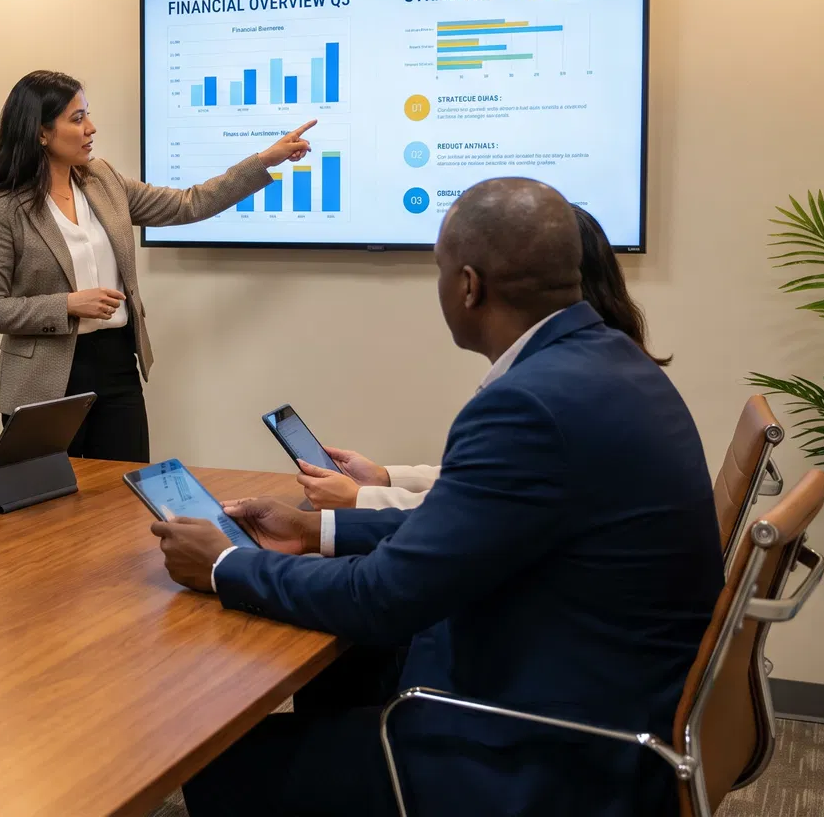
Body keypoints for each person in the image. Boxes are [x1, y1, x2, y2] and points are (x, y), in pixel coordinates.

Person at [152, 177, 721, 817]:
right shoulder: (610, 360)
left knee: (223, 761)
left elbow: (385, 598)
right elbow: (465, 528)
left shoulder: (528, 405)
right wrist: (315, 532)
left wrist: (226, 565)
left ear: (468, 285)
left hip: (553, 750)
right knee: (348, 671)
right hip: (606, 694)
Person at [0, 70, 315, 462]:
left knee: (122, 499)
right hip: (42, 381)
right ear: (41, 133)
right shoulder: (0, 208)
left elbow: (189, 203)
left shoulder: (103, 179)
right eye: (77, 119)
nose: (91, 128)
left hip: (117, 366)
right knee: (49, 509)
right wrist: (67, 304)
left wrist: (264, 160)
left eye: (88, 116)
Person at [295, 202, 674, 511]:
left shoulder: (540, 397)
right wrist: (385, 480)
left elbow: (461, 522)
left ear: (472, 285)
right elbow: (496, 485)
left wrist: (360, 500)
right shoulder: (612, 361)